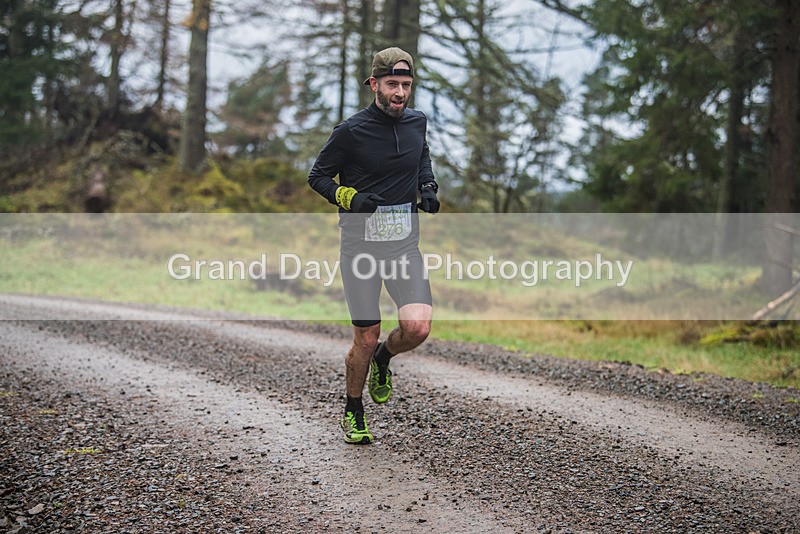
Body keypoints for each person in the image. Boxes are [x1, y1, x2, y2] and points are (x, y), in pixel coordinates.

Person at [308, 47, 440, 444]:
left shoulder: (417, 122)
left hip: (403, 247)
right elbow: (318, 176)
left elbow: (422, 156)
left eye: (406, 85)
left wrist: (428, 186)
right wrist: (349, 198)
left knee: (417, 328)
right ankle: (353, 409)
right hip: (360, 250)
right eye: (392, 84)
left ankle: (385, 358)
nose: (400, 93)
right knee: (365, 336)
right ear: (374, 85)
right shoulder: (350, 131)